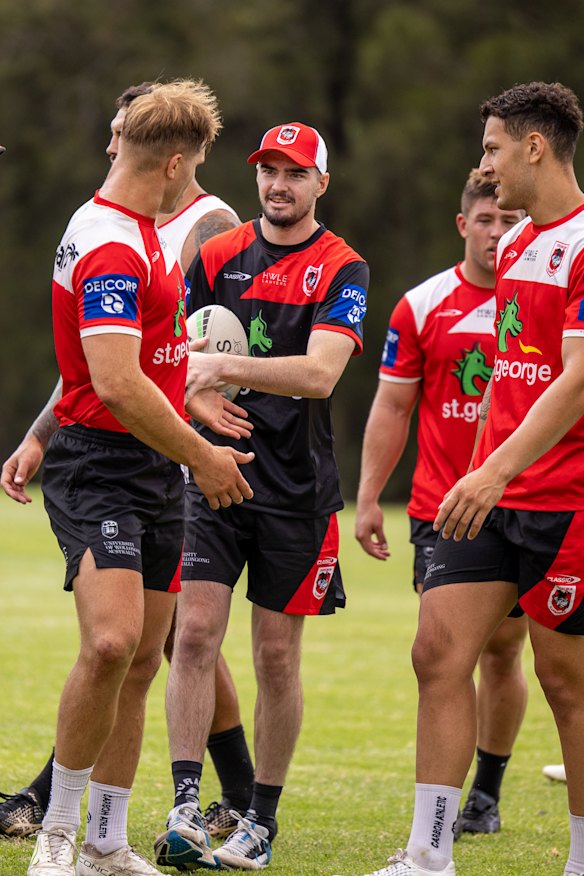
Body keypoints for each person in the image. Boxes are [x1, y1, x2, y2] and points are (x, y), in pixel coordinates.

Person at [0, 81, 255, 844]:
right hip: (106, 460)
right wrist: (203, 453)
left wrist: (185, 394)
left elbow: (144, 353)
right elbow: (111, 378)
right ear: (177, 162)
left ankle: (106, 844)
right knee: (112, 644)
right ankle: (57, 833)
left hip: (151, 463)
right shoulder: (113, 239)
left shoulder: (143, 231)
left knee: (145, 658)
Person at [341, 80, 584, 876]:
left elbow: (575, 378)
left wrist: (495, 470)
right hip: (492, 494)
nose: (485, 163)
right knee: (437, 654)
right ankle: (427, 854)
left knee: (563, 679)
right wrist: (479, 470)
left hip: (565, 501)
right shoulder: (513, 246)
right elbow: (511, 378)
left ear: (534, 146)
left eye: (491, 148)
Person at [152, 121, 369, 871]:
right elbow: (173, 356)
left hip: (297, 491)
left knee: (276, 658)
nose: (278, 184)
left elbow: (320, 374)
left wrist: (221, 371)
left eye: (294, 172)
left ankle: (259, 821)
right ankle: (184, 804)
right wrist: (196, 391)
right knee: (194, 634)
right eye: (268, 170)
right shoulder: (215, 256)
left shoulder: (343, 267)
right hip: (212, 475)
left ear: (320, 184)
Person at [355, 169, 528, 837]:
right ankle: (437, 822)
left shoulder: (543, 298)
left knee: (505, 651)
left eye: (510, 222)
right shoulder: (423, 305)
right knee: (441, 652)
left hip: (524, 504)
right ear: (464, 225)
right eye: (486, 220)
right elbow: (393, 405)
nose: (497, 233)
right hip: (441, 509)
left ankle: (485, 791)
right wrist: (369, 496)